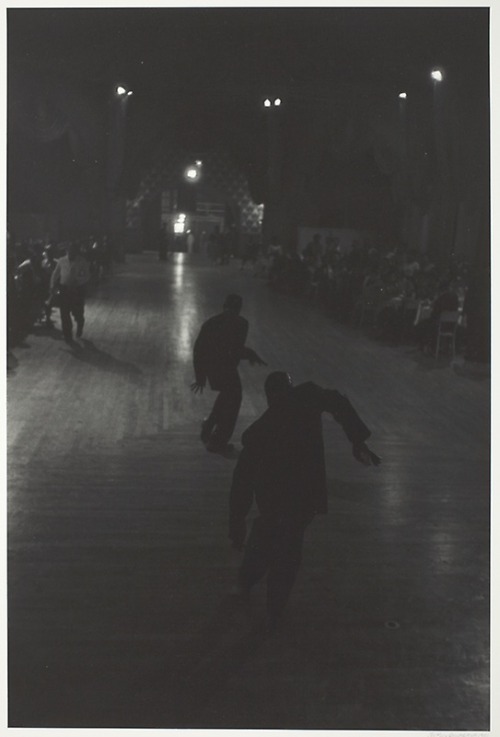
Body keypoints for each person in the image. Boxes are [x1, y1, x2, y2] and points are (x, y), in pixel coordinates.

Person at [228, 371, 381, 632]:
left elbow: (242, 479)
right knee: (287, 552)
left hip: (275, 500)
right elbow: (338, 402)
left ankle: (248, 585)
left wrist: (237, 520)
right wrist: (358, 441)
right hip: (303, 497)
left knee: (265, 543)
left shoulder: (260, 431)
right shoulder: (306, 398)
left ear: (268, 397)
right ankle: (272, 610)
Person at [191, 294, 266, 454]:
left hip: (212, 367)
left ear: (224, 305)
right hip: (226, 367)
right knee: (233, 399)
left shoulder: (211, 322)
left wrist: (201, 376)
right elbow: (235, 349)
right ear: (239, 308)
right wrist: (251, 354)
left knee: (227, 395)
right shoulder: (242, 323)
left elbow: (198, 350)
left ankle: (209, 427)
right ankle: (217, 440)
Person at [49, 241, 90, 343]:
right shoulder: (62, 261)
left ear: (76, 251)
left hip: (77, 289)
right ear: (67, 251)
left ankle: (80, 323)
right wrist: (52, 285)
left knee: (78, 311)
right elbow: (55, 274)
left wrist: (78, 281)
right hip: (64, 289)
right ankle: (67, 334)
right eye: (69, 250)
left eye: (73, 251)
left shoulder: (82, 261)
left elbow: (86, 276)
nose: (71, 252)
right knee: (64, 312)